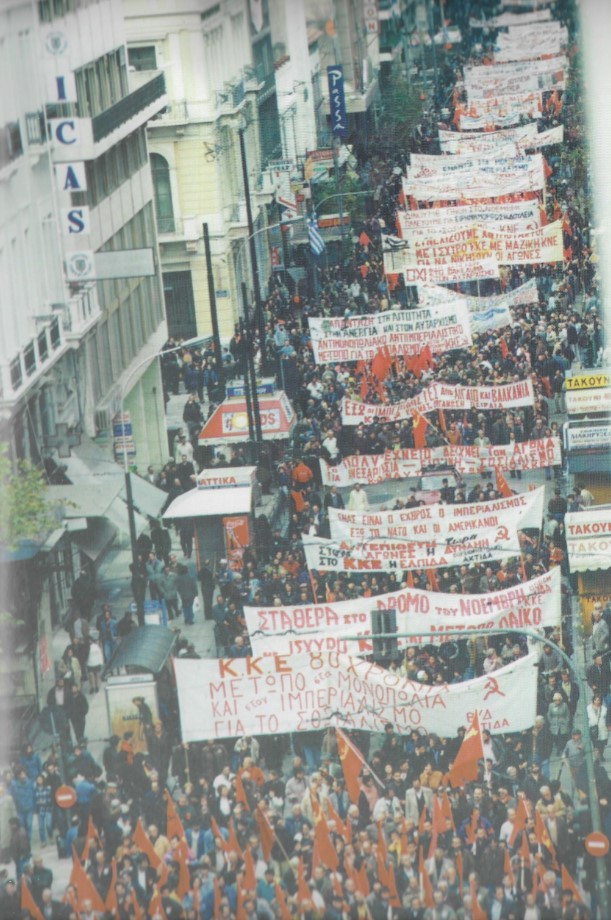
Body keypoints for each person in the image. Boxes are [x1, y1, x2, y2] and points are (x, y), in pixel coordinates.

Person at [86, 628, 103, 694]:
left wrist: (100, 662)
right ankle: (92, 687)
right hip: (90, 663)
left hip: (96, 663)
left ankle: (96, 686)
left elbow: (100, 654)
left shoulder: (97, 646)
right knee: (91, 675)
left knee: (96, 675)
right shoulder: (87, 647)